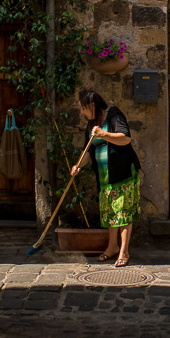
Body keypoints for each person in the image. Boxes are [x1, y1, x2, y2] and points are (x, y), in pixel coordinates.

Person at [71, 88, 141, 267]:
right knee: (111, 212)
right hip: (105, 177)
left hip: (123, 172)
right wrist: (78, 165)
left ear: (92, 105)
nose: (82, 112)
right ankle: (112, 247)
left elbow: (125, 138)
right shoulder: (91, 123)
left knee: (123, 212)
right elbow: (90, 150)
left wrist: (104, 134)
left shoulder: (113, 115)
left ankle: (124, 251)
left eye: (83, 108)